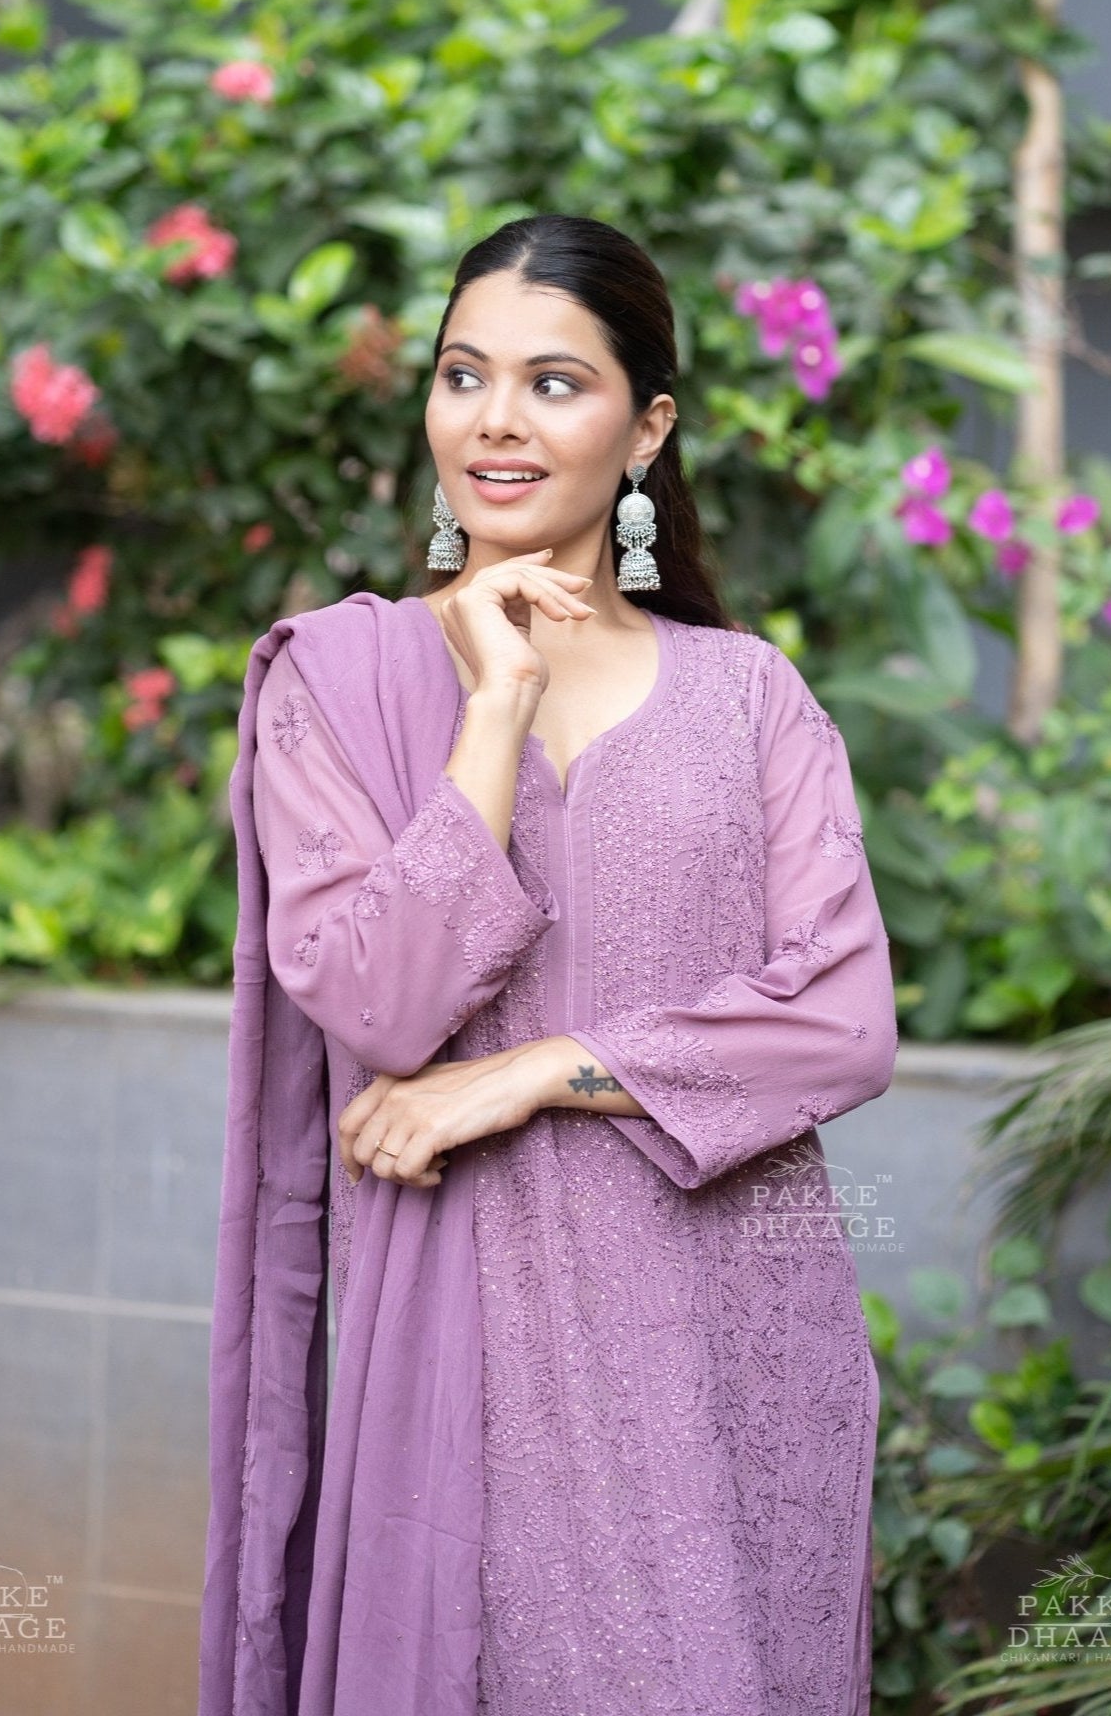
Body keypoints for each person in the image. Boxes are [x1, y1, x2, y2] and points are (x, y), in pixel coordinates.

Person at [198, 212, 898, 1716]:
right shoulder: (339, 678)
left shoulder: (750, 699)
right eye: (463, 375)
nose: (496, 421)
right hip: (474, 1353)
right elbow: (376, 1002)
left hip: (724, 1348)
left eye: (553, 383)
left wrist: (521, 1077)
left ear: (646, 429)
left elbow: (839, 1025)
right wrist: (496, 707)